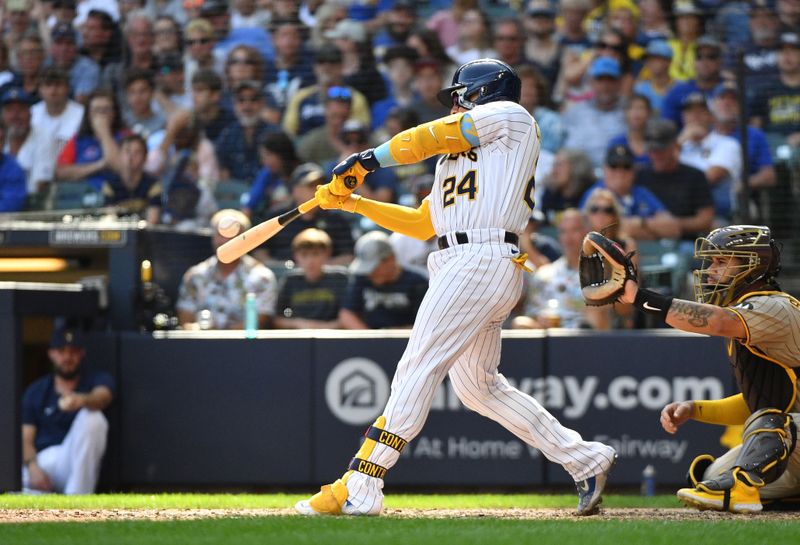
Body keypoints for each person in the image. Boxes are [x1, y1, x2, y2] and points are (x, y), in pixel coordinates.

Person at [297, 58, 617, 517]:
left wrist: (366, 160)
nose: (454, 102)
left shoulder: (511, 117)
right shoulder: (462, 156)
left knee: (417, 367)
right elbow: (425, 223)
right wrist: (355, 204)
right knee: (477, 388)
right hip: (464, 261)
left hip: (480, 259)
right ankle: (584, 458)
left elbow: (425, 138)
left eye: (460, 94)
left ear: (484, 91)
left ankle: (363, 483)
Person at [614, 224, 800, 513]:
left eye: (721, 261)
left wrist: (640, 297)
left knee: (771, 424)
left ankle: (743, 491)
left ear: (753, 266)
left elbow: (716, 321)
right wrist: (695, 408)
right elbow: (761, 401)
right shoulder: (748, 314)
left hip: (793, 432)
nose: (711, 270)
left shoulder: (773, 306)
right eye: (711, 261)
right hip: (796, 441)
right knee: (712, 476)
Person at [22, 326, 114, 494]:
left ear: (81, 354)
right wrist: (33, 467)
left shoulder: (96, 379)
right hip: (46, 460)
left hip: (77, 462)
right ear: (51, 354)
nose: (67, 357)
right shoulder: (36, 391)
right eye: (61, 351)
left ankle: (77, 501)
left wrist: (82, 400)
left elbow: (103, 396)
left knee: (93, 417)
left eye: (73, 351)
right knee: (13, 488)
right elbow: (25, 439)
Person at [176, 209, 277, 330]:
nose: (225, 242)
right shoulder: (195, 275)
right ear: (213, 237)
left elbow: (259, 322)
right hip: (200, 346)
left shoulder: (262, 277)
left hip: (244, 347)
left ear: (245, 239)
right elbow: (185, 320)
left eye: (232, 236)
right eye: (220, 234)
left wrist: (219, 334)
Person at [512, 209, 611, 330]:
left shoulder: (600, 274)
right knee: (520, 322)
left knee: (596, 315)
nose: (569, 238)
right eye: (563, 232)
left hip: (582, 336)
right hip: (545, 333)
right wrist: (539, 318)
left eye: (574, 230)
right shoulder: (545, 274)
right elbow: (531, 312)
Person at [338, 230, 428, 330]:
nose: (369, 273)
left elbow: (425, 325)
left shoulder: (417, 283)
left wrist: (390, 337)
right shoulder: (362, 278)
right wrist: (371, 339)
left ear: (390, 259)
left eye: (373, 267)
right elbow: (347, 314)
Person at [273, 228, 348, 329]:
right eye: (304, 254)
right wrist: (298, 323)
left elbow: (350, 315)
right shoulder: (290, 280)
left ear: (327, 254)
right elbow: (277, 319)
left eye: (315, 254)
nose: (310, 260)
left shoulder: (340, 278)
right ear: (296, 256)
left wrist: (325, 327)